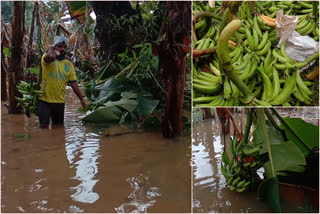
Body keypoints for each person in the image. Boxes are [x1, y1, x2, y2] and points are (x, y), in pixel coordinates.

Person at [38, 36, 86, 128]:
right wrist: (51, 47)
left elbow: (73, 84)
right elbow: (51, 56)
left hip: (59, 102)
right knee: (43, 128)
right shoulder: (46, 58)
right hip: (45, 101)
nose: (62, 49)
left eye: (64, 47)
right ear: (54, 47)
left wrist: (81, 99)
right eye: (59, 46)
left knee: (58, 128)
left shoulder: (68, 64)